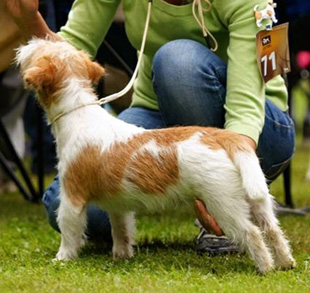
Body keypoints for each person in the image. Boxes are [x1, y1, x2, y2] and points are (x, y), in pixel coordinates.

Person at [4, 0, 295, 254]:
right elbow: (71, 49)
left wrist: (208, 175)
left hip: (258, 125)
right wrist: (29, 19)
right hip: (156, 119)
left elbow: (246, 106)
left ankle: (228, 201)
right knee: (66, 204)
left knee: (176, 60)